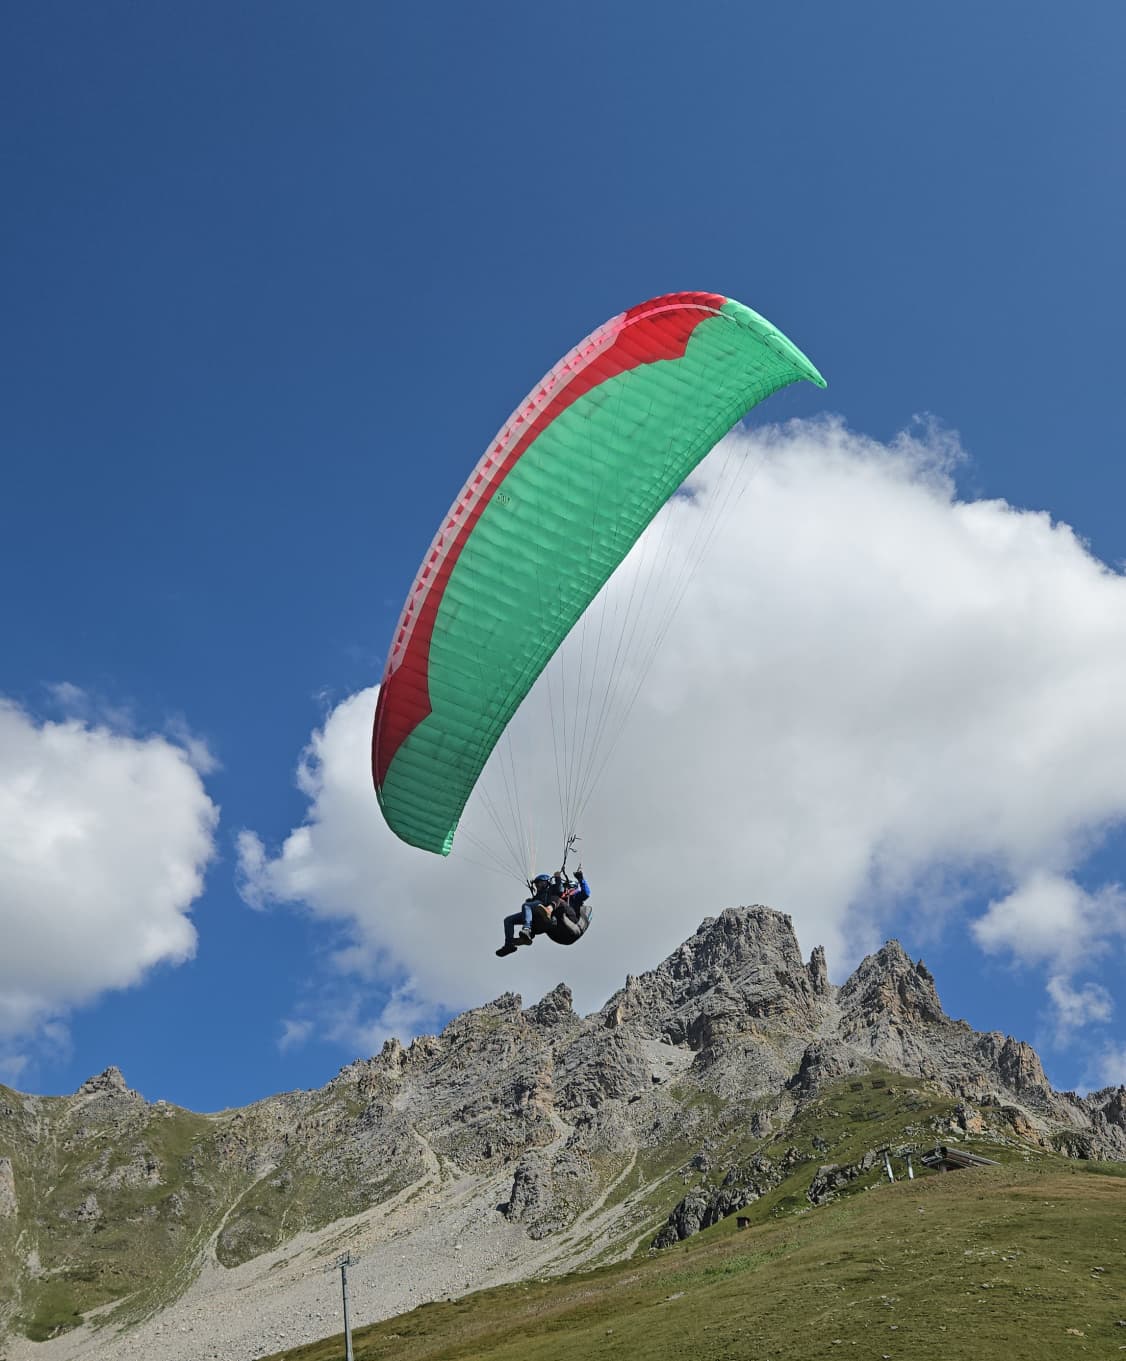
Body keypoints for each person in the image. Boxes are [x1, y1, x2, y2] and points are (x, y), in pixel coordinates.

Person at [496, 867, 591, 956]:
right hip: (557, 933)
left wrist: (580, 878)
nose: (537, 886)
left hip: (571, 926)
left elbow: (586, 893)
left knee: (556, 899)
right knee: (510, 919)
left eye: (539, 883)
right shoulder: (545, 897)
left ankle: (546, 912)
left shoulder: (572, 897)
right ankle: (514, 942)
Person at [496, 873, 555, 957]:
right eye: (536, 884)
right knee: (508, 920)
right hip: (535, 909)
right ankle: (509, 945)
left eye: (539, 882)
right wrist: (531, 900)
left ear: (546, 882)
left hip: (542, 905)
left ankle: (527, 929)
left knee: (526, 905)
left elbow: (559, 890)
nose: (537, 885)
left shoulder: (550, 890)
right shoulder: (538, 894)